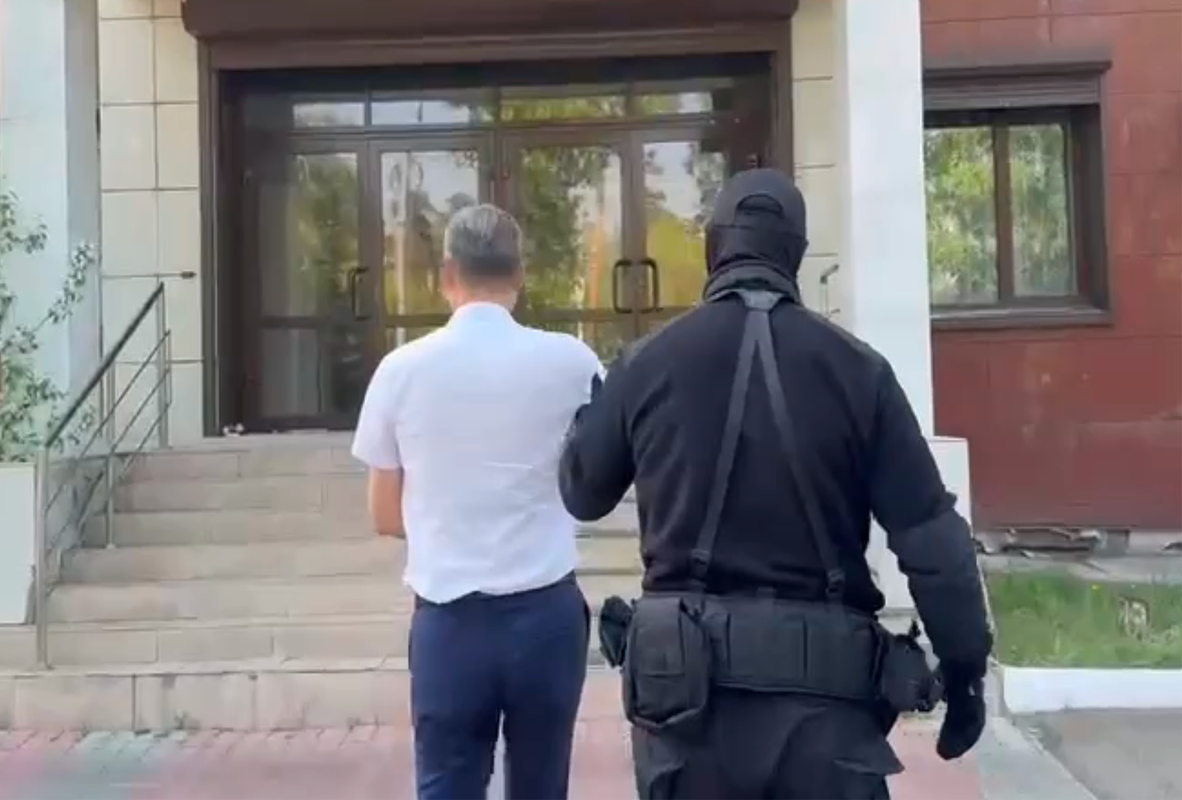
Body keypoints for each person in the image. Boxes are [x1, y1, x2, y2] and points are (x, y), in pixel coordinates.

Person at [558, 169, 993, 799]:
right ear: (796, 254)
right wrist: (965, 672)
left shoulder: (647, 363)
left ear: (713, 248)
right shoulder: (862, 372)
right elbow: (931, 538)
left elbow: (583, 493)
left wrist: (585, 423)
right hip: (827, 720)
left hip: (686, 715)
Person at [351, 204, 602, 800]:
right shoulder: (573, 363)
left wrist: (448, 516)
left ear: (446, 274)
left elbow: (384, 515)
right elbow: (602, 475)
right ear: (520, 275)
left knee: (447, 785)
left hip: (450, 623)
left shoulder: (400, 370)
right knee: (542, 785)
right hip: (547, 615)